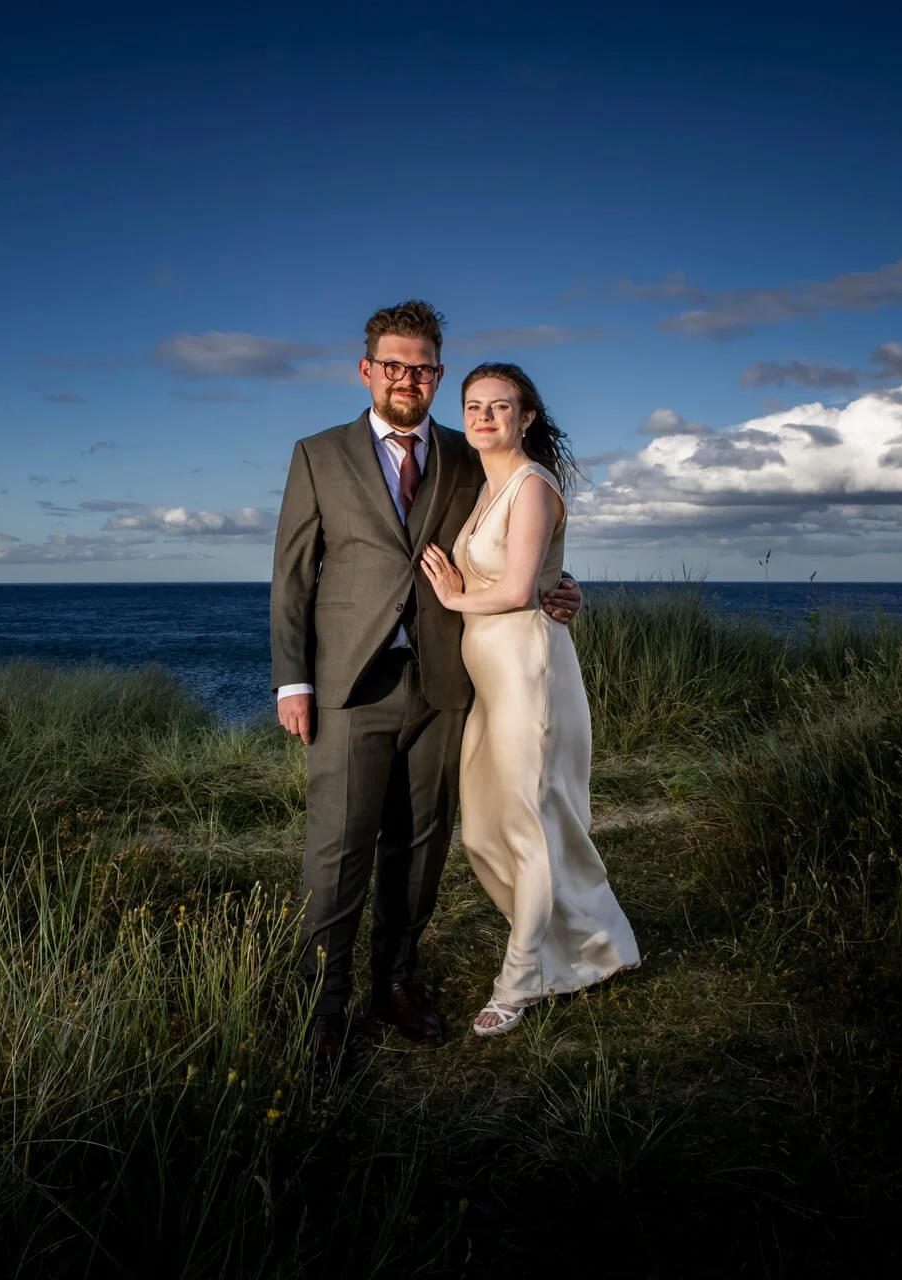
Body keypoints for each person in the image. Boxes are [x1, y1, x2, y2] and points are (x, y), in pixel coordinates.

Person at [270, 301, 582, 1067]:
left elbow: (516, 536)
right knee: (337, 850)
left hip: (447, 683)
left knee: (421, 846)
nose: (408, 378)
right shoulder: (318, 454)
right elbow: (292, 579)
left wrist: (561, 583)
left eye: (423, 367)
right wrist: (293, 684)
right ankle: (324, 1005)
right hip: (351, 685)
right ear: (367, 370)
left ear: (438, 375)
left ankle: (397, 982)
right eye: (394, 365)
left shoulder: (467, 451)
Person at [418, 362, 639, 1035]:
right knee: (484, 830)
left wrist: (454, 596)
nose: (485, 418)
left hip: (530, 676)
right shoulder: (486, 488)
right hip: (492, 685)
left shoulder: (533, 485)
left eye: (501, 407)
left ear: (528, 417)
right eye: (474, 406)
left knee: (529, 829)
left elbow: (519, 591)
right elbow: (543, 573)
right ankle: (585, 949)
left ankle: (519, 983)